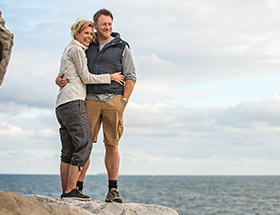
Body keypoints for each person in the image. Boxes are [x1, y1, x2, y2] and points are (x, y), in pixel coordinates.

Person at [57, 9, 137, 203]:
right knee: (84, 144)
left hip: (113, 100)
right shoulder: (86, 45)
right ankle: (77, 187)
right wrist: (58, 79)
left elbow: (131, 76)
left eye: (110, 24)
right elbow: (72, 68)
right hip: (90, 99)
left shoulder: (122, 46)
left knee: (112, 145)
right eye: (103, 24)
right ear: (95, 26)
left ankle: (113, 189)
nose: (107, 27)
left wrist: (123, 102)